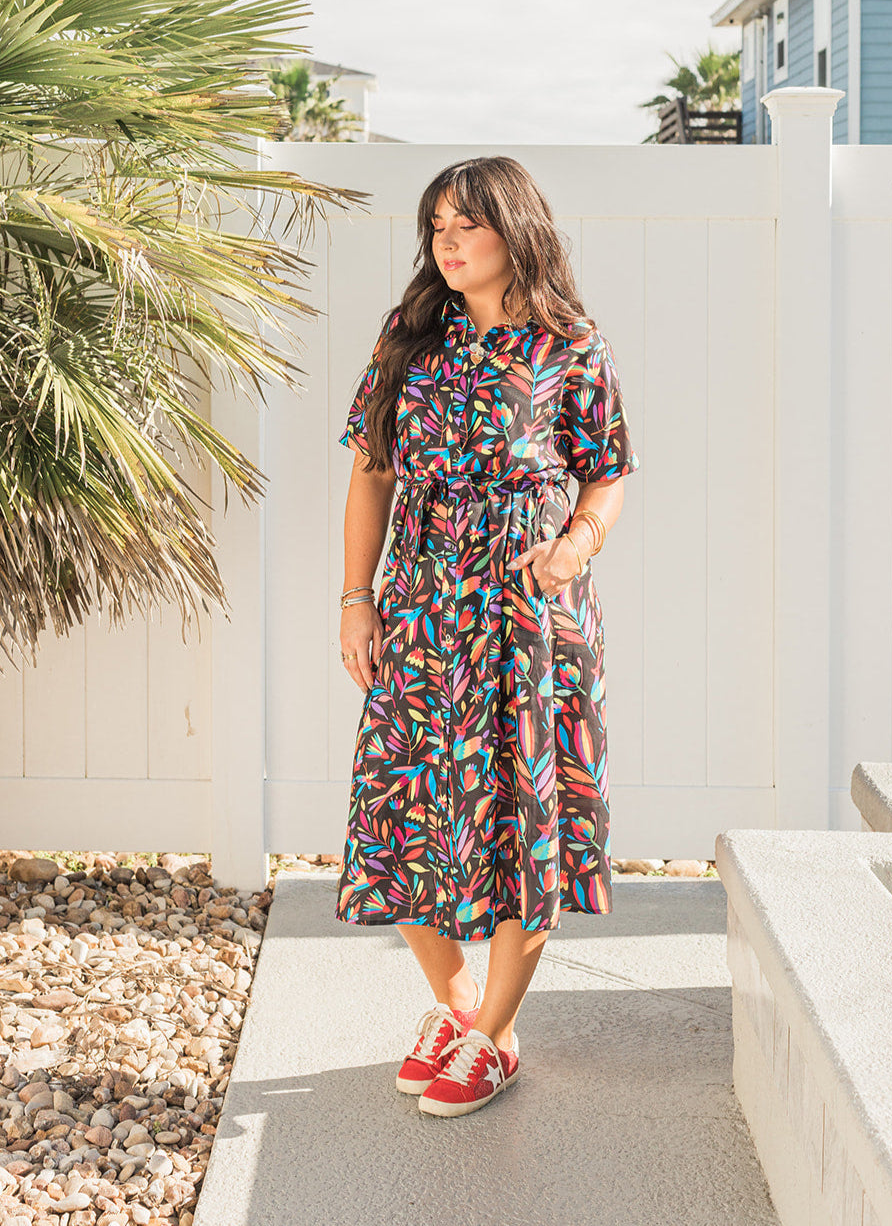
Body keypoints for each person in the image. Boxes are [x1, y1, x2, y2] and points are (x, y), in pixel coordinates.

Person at [337, 154, 640, 1118]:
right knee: (398, 808)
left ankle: (495, 1039)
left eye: (466, 223)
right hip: (424, 608)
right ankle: (462, 1008)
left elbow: (609, 473)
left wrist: (574, 545)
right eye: (436, 226)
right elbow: (372, 474)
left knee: (521, 820)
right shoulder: (408, 337)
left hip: (529, 618)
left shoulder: (571, 345)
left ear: (517, 230)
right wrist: (356, 597)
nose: (448, 241)